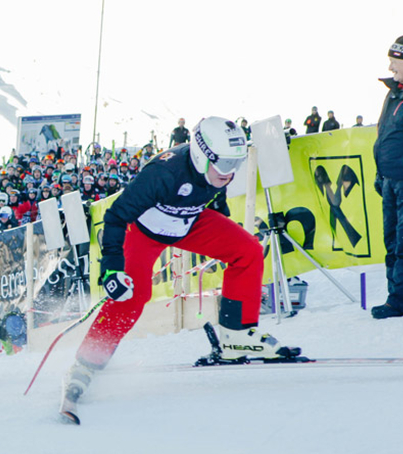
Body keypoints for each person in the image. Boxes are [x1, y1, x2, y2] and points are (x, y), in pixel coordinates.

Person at [59, 117, 300, 424]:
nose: (230, 172)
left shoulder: (217, 172)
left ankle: (236, 335)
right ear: (202, 155)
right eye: (225, 163)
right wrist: (111, 271)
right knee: (133, 295)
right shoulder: (163, 174)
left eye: (236, 164)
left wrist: (222, 217)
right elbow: (116, 216)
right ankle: (85, 364)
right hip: (144, 231)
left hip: (188, 222)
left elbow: (215, 195)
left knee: (248, 250)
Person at [371, 35, 403, 319]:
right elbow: (384, 134)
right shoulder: (393, 93)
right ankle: (395, 296)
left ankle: (399, 301)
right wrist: (379, 173)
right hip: (389, 179)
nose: (390, 67)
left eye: (395, 61)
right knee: (392, 240)